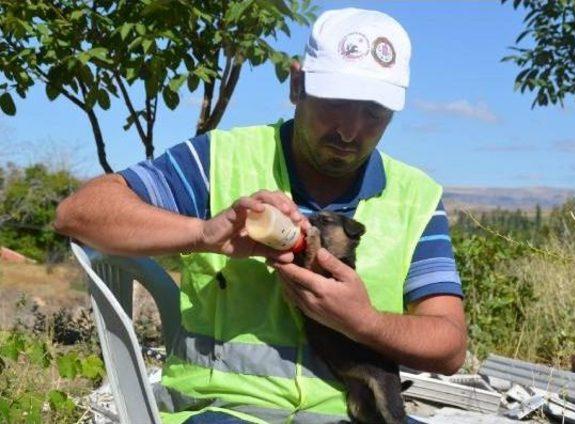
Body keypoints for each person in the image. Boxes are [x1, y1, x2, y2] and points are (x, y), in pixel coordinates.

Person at [55, 7, 467, 424]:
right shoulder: (220, 159)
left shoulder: (415, 197)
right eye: (335, 104)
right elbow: (80, 213)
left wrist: (365, 323)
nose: (349, 131)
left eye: (374, 113)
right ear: (297, 84)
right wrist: (201, 233)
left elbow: (449, 348)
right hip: (221, 411)